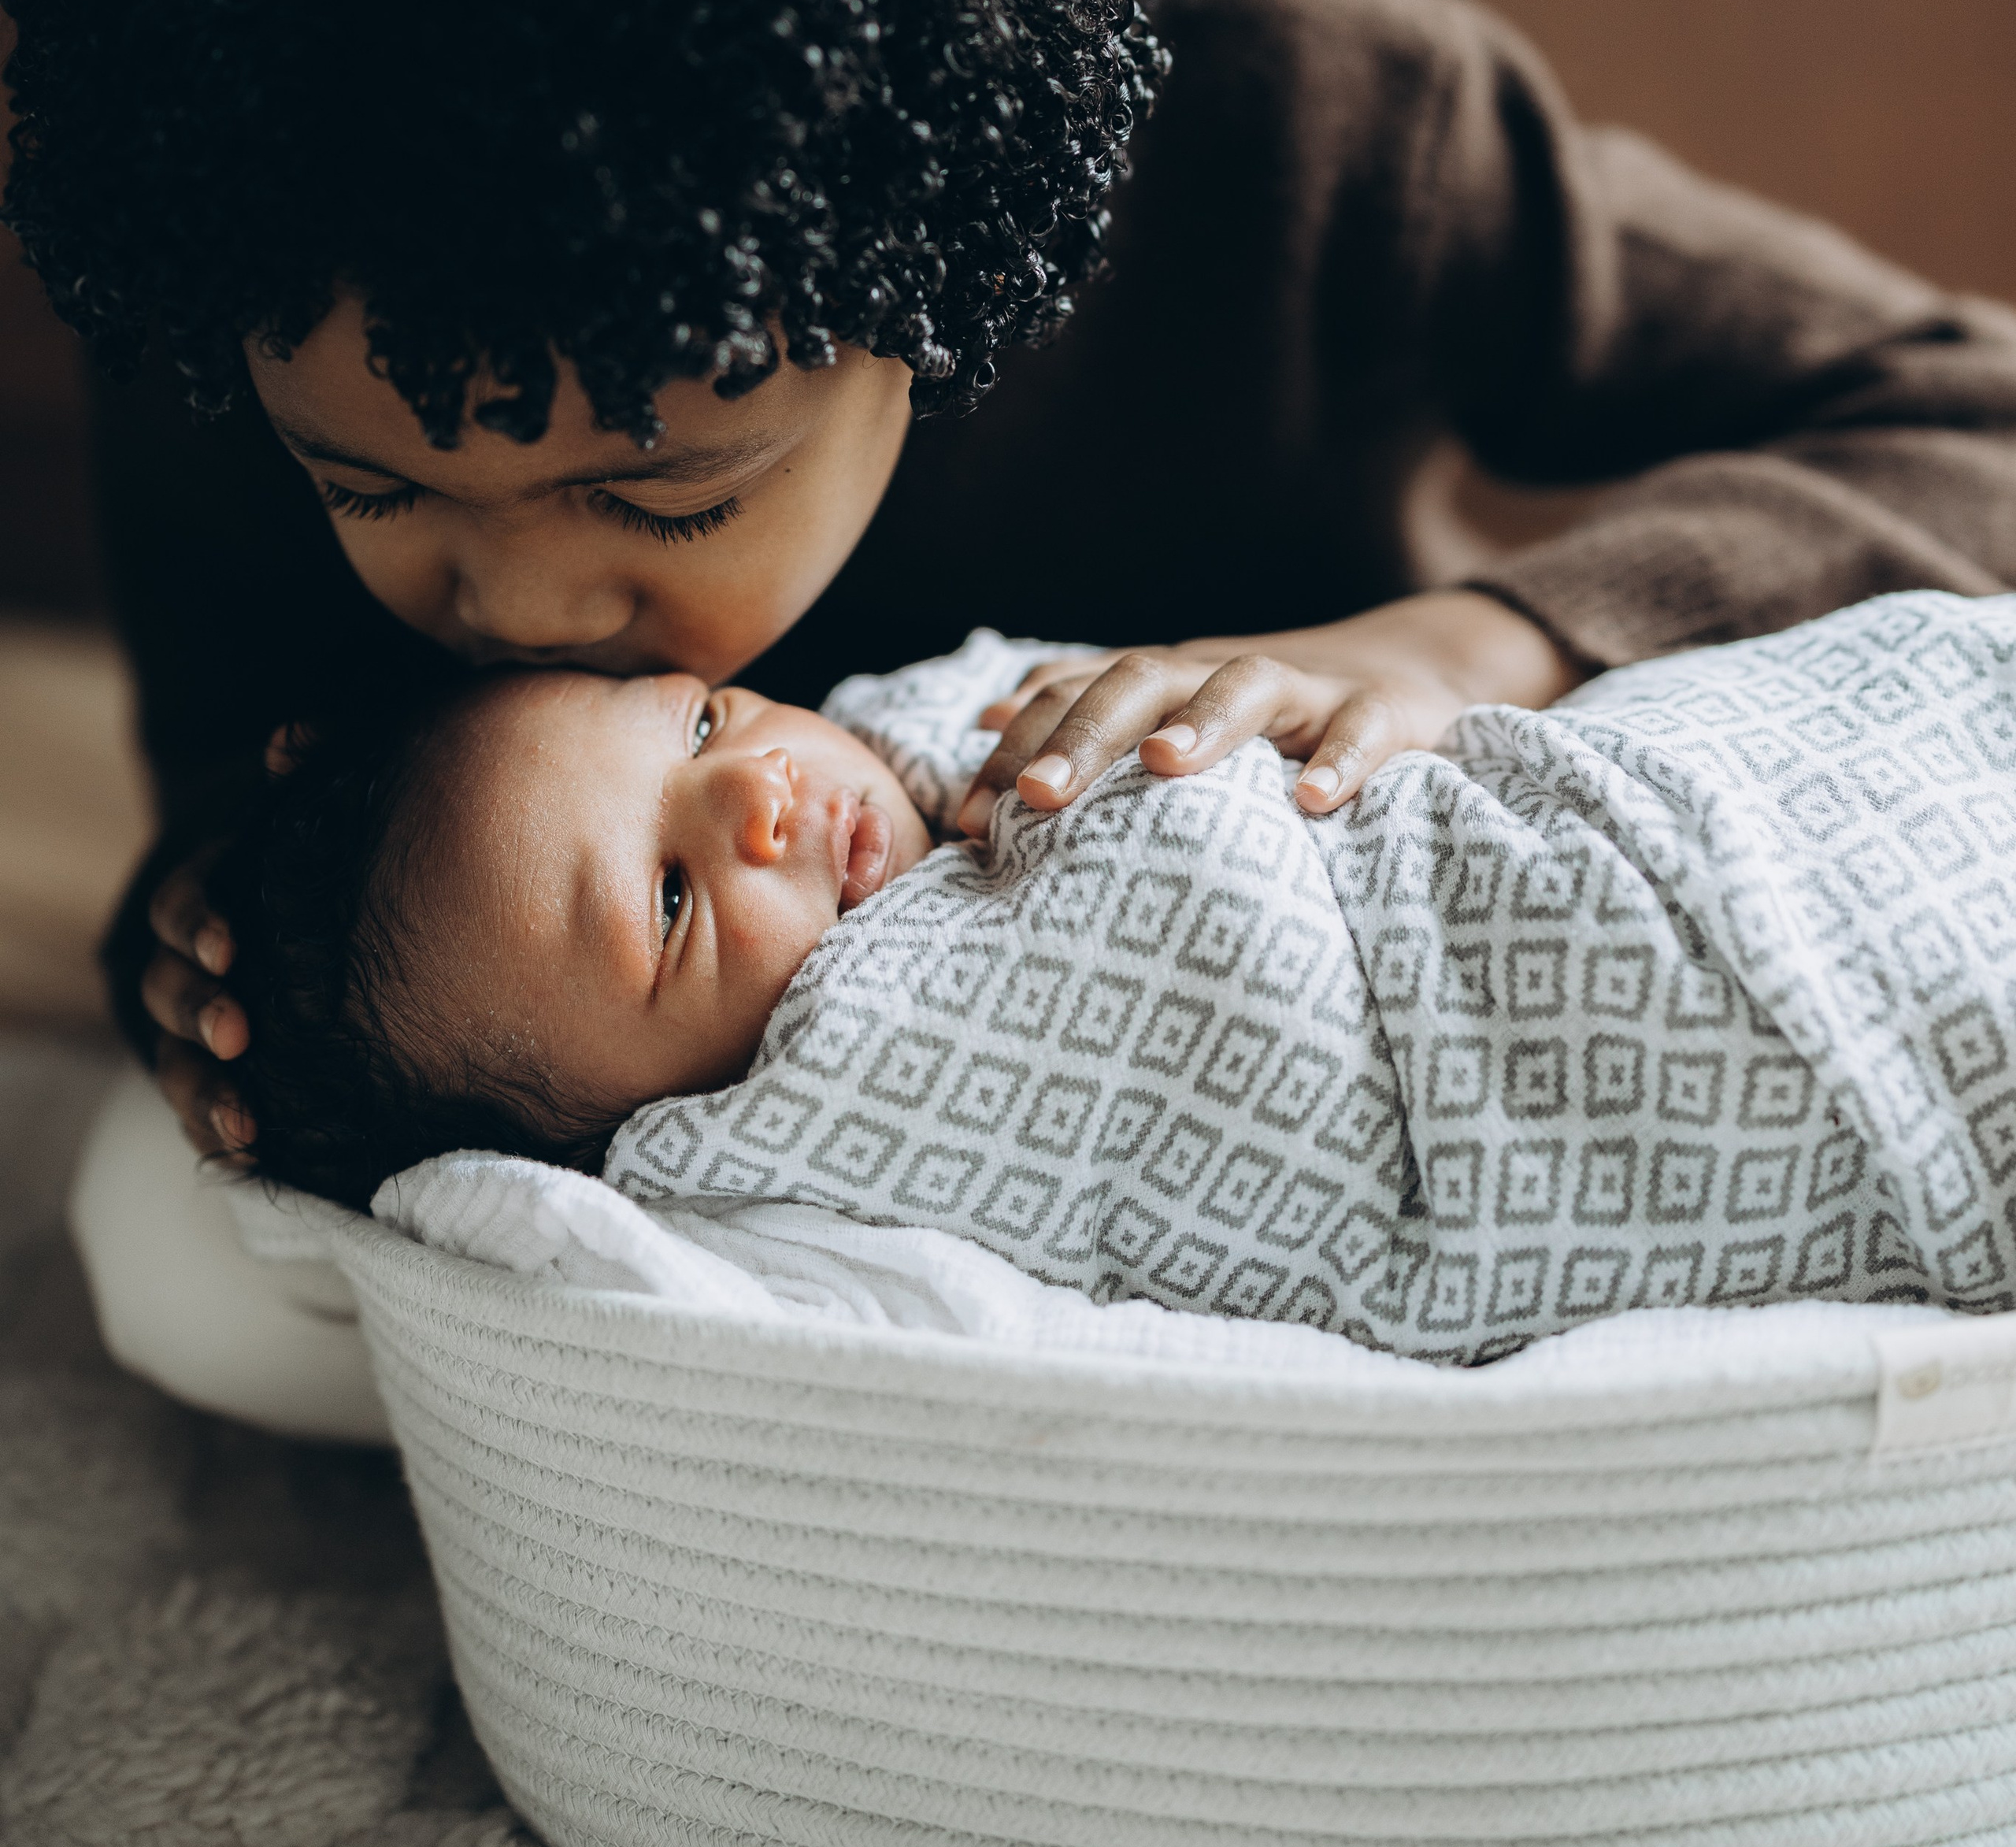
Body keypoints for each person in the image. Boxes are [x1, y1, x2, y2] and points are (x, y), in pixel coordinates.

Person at [9, 0, 2016, 1425]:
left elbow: (1972, 408)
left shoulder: (1298, 120)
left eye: (666, 490)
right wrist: (211, 969)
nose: (517, 606)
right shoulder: (252, 215)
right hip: (794, 1179)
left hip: (1363, 997)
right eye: (370, 483)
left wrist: (1467, 642)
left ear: (938, 282)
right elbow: (297, 891)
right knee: (192, 1271)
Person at [215, 598, 2016, 1368]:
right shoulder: (798, 1130)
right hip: (1663, 1033)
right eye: (677, 898)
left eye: (691, 724)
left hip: (1645, 805)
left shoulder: (927, 732)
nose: (759, 790)